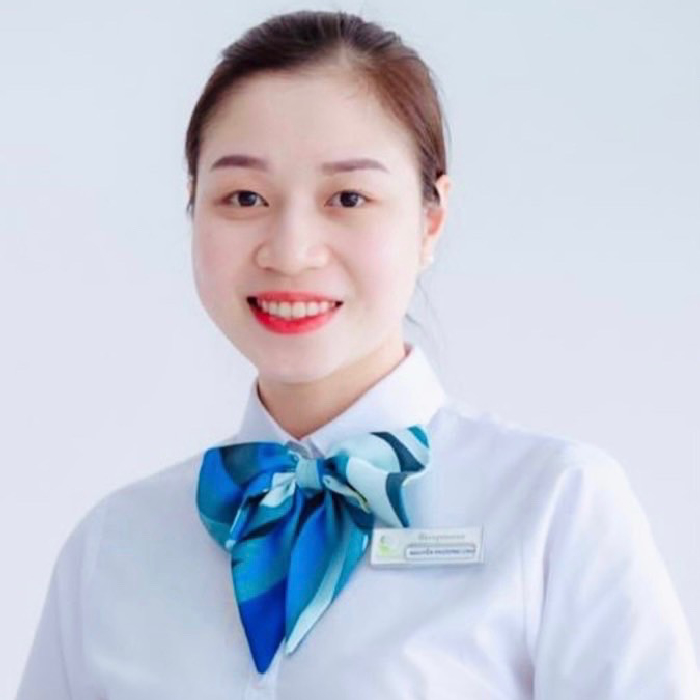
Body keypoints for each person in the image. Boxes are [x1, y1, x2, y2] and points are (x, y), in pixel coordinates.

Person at [16, 9, 700, 699]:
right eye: (244, 197)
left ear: (430, 221)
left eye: (348, 197)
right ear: (193, 205)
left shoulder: (554, 507)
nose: (290, 251)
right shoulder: (113, 548)